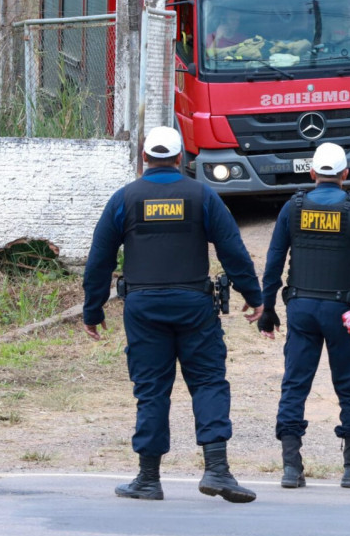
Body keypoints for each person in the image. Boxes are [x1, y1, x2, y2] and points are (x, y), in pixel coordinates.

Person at [82, 125, 265, 504]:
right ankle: (216, 469)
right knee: (209, 382)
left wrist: (93, 308)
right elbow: (232, 248)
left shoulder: (125, 199)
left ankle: (148, 479)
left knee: (151, 390)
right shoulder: (202, 195)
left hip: (143, 309)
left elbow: (99, 258)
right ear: (181, 159)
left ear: (143, 159)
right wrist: (253, 294)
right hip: (195, 307)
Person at [254, 142, 350, 489]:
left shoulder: (293, 207)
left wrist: (268, 307)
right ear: (346, 175)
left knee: (295, 385)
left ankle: (290, 468)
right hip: (342, 312)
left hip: (301, 309)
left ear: (313, 173)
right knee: (349, 385)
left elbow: (273, 262)